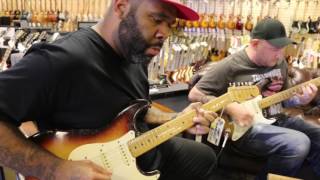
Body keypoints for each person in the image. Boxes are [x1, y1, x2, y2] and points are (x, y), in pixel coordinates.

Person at [0, 0, 218, 179]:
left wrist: (177, 118)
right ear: (121, 7)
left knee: (204, 157)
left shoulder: (135, 53)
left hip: (137, 154)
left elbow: (131, 105)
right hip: (94, 169)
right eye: (157, 19)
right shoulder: (63, 60)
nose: (165, 33)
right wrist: (57, 169)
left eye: (170, 24)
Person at [189, 18, 320, 180]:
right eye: (275, 48)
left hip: (276, 119)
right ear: (255, 44)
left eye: (283, 48)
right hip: (245, 128)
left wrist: (300, 100)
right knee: (298, 144)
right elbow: (194, 93)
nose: (280, 54)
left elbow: (283, 98)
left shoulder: (280, 63)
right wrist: (229, 106)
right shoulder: (231, 65)